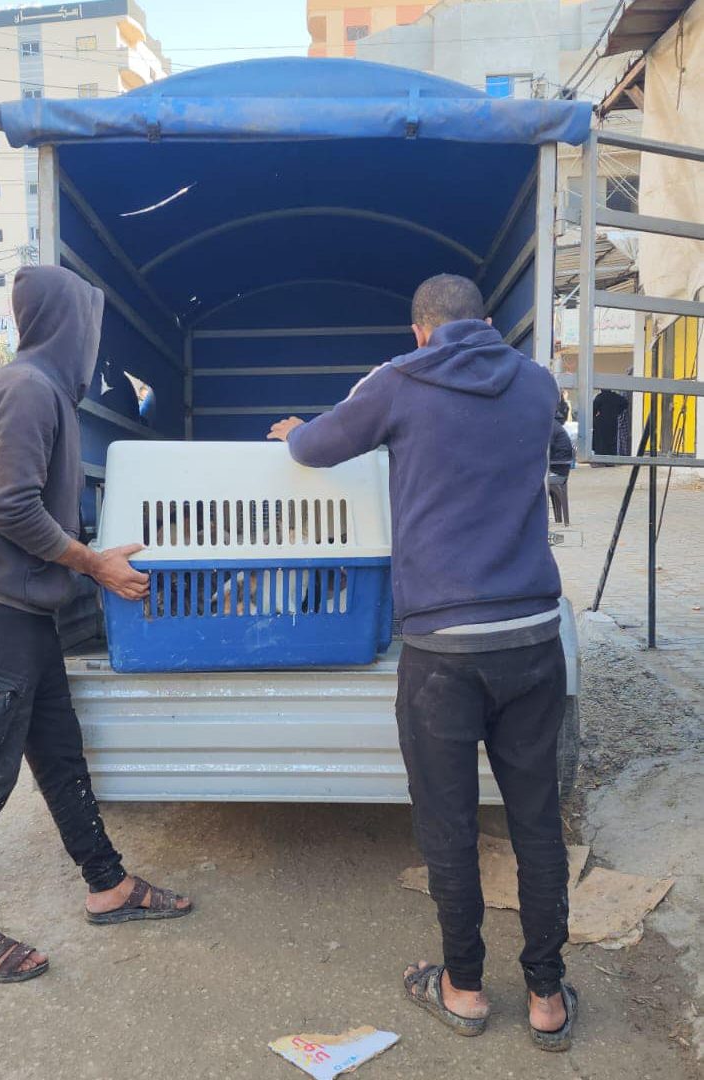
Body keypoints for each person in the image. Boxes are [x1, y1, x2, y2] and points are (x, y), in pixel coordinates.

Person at [269, 274, 576, 1051]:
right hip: (535, 637)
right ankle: (547, 997)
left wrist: (294, 430)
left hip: (443, 649)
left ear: (420, 331)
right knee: (538, 822)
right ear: (489, 324)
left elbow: (313, 447)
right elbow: (556, 441)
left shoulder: (399, 382)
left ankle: (464, 989)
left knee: (449, 825)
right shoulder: (536, 384)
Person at [0, 265, 191, 986]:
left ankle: (106, 884)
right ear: (64, 322)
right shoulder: (26, 390)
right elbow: (11, 507)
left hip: (27, 610)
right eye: (90, 325)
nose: (93, 342)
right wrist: (95, 565)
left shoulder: (47, 392)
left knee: (60, 755)